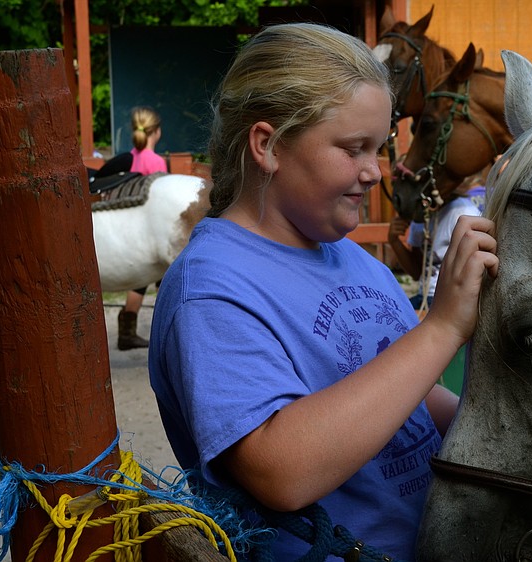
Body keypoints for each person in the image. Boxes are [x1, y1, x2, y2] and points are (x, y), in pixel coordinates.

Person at [147, 22, 498, 561]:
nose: (374, 173)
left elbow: (414, 400)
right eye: (354, 148)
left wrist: (512, 426)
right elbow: (281, 470)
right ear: (267, 145)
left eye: (379, 149)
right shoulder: (212, 289)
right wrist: (443, 329)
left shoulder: (352, 259)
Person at [117, 106, 168, 350]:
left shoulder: (129, 157)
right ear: (155, 132)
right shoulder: (157, 162)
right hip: (151, 230)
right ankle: (167, 330)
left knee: (139, 280)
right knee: (164, 278)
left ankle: (126, 331)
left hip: (131, 228)